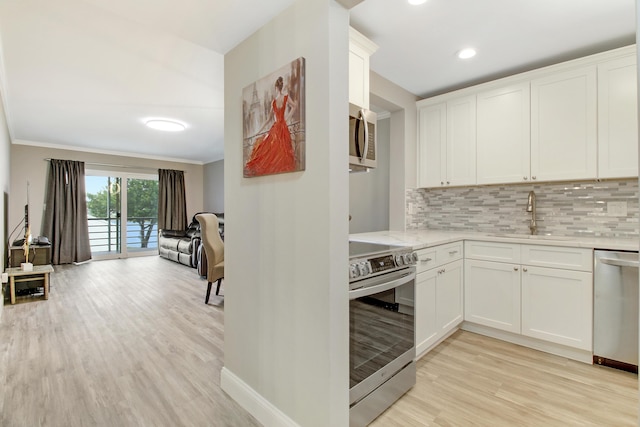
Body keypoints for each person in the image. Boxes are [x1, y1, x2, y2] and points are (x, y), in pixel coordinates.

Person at [245, 76, 298, 177]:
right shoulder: (285, 97)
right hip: (283, 128)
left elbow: (268, 119)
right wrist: (286, 119)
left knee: (270, 152)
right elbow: (294, 107)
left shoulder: (273, 102)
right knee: (282, 152)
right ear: (281, 87)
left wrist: (258, 131)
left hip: (276, 128)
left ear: (276, 88)